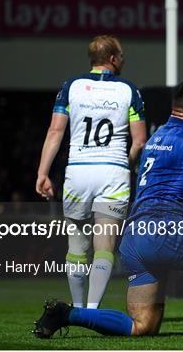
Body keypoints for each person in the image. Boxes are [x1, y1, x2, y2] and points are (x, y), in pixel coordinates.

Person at [33, 80, 183, 338]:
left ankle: (68, 313)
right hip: (166, 230)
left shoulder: (156, 138)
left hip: (134, 238)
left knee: (143, 326)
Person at [35, 35, 147, 309]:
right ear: (112, 59)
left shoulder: (71, 86)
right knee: (104, 247)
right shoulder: (128, 89)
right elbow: (140, 141)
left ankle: (75, 308)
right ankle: (92, 310)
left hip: (78, 173)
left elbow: (55, 131)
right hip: (112, 173)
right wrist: (128, 163)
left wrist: (43, 173)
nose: (123, 60)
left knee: (76, 248)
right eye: (121, 56)